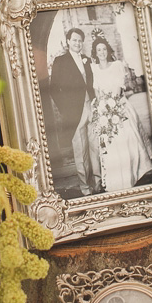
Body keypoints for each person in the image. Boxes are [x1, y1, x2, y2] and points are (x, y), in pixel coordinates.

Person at [88, 37, 152, 193]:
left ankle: (134, 172)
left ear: (108, 51)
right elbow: (97, 92)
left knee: (128, 140)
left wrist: (113, 107)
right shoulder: (94, 68)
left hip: (119, 107)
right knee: (111, 145)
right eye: (99, 50)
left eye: (104, 49)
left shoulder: (117, 65)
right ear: (95, 53)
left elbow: (119, 89)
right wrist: (102, 110)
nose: (102, 52)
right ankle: (117, 179)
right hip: (105, 110)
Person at [49, 27, 100, 196]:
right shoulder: (60, 61)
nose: (77, 43)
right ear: (68, 41)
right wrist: (66, 110)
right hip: (75, 113)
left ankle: (99, 183)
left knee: (95, 147)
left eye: (80, 40)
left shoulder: (87, 59)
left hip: (91, 107)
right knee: (81, 152)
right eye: (74, 40)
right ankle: (86, 188)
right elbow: (54, 89)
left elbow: (93, 83)